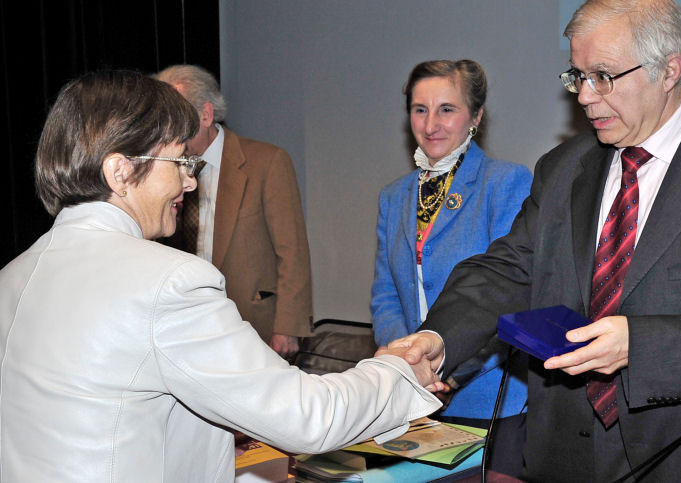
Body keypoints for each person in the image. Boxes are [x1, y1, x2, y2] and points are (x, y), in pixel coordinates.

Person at [391, 0, 681, 481]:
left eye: (603, 77)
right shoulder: (565, 167)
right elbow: (510, 268)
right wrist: (439, 337)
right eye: (578, 76)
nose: (584, 97)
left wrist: (640, 346)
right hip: (565, 458)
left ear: (668, 70)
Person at [0, 70, 443, 482]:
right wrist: (398, 373)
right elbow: (308, 417)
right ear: (121, 171)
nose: (189, 183)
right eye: (178, 162)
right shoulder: (167, 282)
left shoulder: (12, 277)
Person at [370, 59, 532, 475]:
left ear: (476, 116)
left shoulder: (507, 183)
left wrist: (448, 370)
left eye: (447, 109)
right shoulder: (395, 196)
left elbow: (509, 293)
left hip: (486, 393)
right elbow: (386, 293)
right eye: (419, 109)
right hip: (411, 395)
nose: (430, 124)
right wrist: (404, 363)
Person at [154, 64, 311, 358]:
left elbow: (293, 252)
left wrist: (288, 326)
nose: (167, 131)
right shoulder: (163, 168)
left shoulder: (267, 161)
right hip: (184, 327)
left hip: (252, 325)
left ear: (206, 115)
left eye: (175, 119)